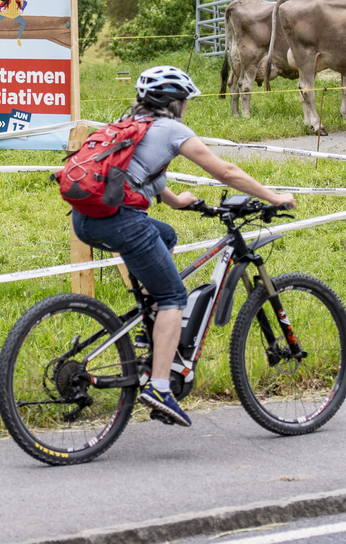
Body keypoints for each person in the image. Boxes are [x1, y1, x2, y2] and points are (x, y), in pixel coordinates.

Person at [72, 65, 296, 427]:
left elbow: (139, 171)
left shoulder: (128, 122)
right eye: (185, 101)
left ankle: (151, 321)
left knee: (167, 236)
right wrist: (274, 197)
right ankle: (159, 387)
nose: (187, 108)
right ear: (173, 103)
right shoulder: (172, 129)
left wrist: (175, 201)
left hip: (84, 219)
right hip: (122, 221)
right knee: (174, 296)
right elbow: (225, 171)